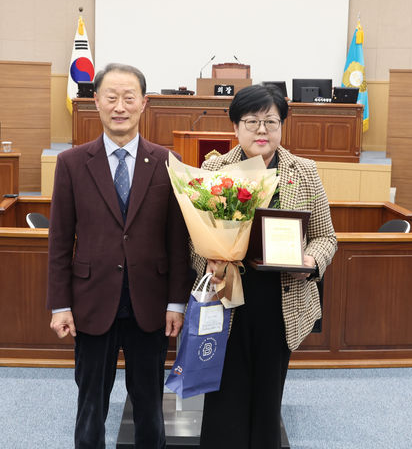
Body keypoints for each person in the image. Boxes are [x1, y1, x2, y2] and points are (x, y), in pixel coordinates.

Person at [47, 63, 192, 449]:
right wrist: (59, 305)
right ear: (95, 102)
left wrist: (177, 302)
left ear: (144, 103)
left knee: (149, 405)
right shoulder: (72, 163)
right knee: (91, 404)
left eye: (129, 98)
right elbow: (60, 241)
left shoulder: (167, 162)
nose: (120, 106)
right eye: (111, 97)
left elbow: (178, 242)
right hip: (92, 303)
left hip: (151, 304)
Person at [196, 84, 337, 448]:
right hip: (228, 300)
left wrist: (310, 260)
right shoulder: (215, 168)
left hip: (280, 302)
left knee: (267, 397)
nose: (262, 130)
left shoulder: (304, 171)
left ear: (282, 126)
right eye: (252, 121)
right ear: (235, 127)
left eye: (270, 122)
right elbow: (193, 239)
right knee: (224, 393)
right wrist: (208, 261)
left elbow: (326, 238)